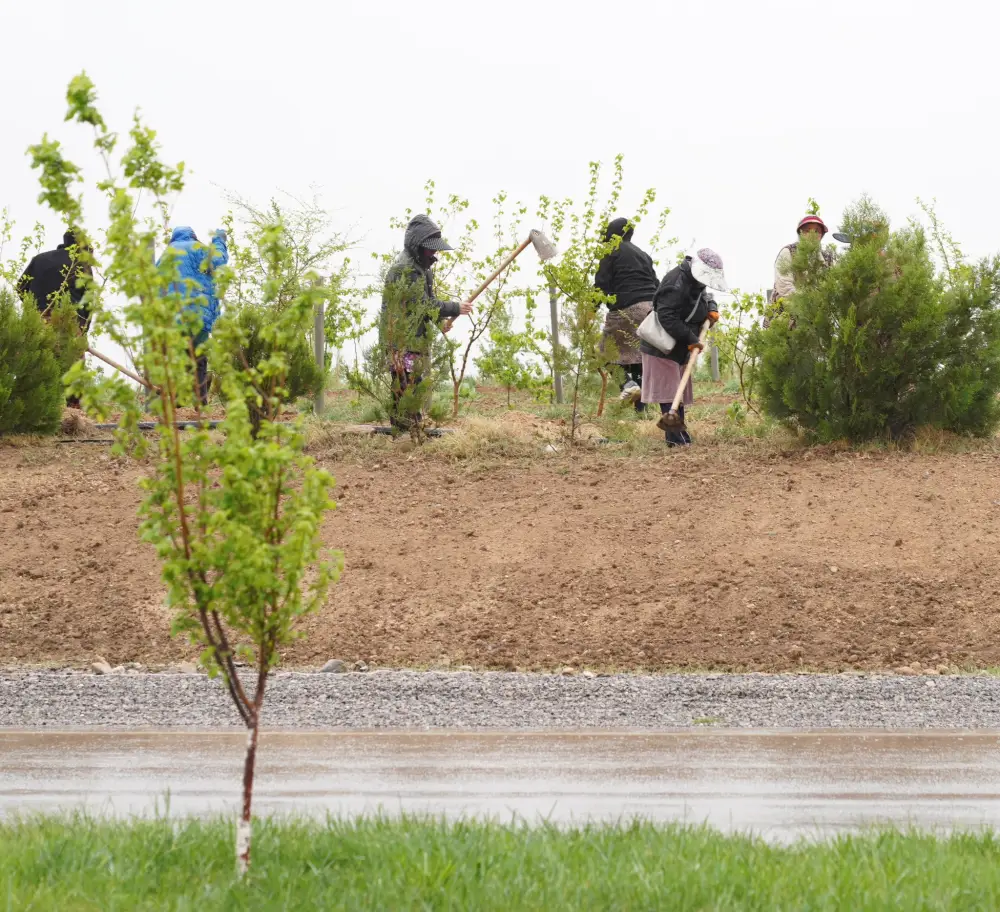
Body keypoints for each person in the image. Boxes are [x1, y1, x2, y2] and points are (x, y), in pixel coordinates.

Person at [381, 214, 473, 429]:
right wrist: (455, 307)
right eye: (430, 248)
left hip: (413, 339)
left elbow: (427, 304)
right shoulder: (406, 269)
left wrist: (439, 321)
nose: (434, 253)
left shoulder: (422, 269)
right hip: (401, 341)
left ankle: (409, 429)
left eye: (435, 249)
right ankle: (405, 431)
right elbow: (421, 306)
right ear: (417, 246)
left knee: (413, 384)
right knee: (405, 385)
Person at [639, 248, 727, 446]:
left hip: (679, 347)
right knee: (670, 393)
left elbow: (705, 295)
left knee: (676, 392)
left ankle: (679, 437)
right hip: (661, 346)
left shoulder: (695, 280)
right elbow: (666, 316)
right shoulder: (676, 283)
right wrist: (690, 338)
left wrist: (711, 309)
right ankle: (675, 439)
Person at [17, 229, 94, 407]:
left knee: (33, 367)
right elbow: (89, 303)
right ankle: (75, 415)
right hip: (69, 324)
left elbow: (20, 288)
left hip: (37, 321)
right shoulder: (81, 264)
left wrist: (34, 311)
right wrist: (82, 330)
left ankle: (29, 411)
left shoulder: (39, 259)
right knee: (74, 371)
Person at [156, 226, 228, 405]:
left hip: (170, 318)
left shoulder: (164, 255)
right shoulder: (198, 249)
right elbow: (218, 261)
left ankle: (176, 406)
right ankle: (199, 404)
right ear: (193, 236)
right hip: (197, 314)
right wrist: (219, 240)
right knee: (198, 357)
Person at [594, 217, 659, 411]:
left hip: (626, 308)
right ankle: (642, 411)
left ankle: (628, 385)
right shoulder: (643, 255)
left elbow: (601, 285)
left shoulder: (611, 251)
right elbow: (656, 283)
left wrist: (589, 310)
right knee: (638, 358)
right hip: (650, 310)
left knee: (604, 354)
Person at [771, 214, 831, 303]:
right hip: (787, 311)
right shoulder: (788, 252)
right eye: (807, 230)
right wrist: (808, 303)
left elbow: (833, 285)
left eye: (817, 231)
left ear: (821, 235)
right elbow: (785, 288)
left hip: (817, 312)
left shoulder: (827, 258)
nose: (812, 234)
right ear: (801, 233)